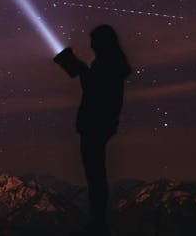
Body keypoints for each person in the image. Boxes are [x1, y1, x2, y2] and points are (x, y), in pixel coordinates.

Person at [62, 25, 131, 235]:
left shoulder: (107, 64)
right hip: (101, 124)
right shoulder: (113, 63)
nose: (91, 45)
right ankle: (97, 221)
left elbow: (94, 88)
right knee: (95, 175)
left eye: (94, 41)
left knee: (95, 176)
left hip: (95, 124)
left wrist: (79, 67)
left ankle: (98, 223)